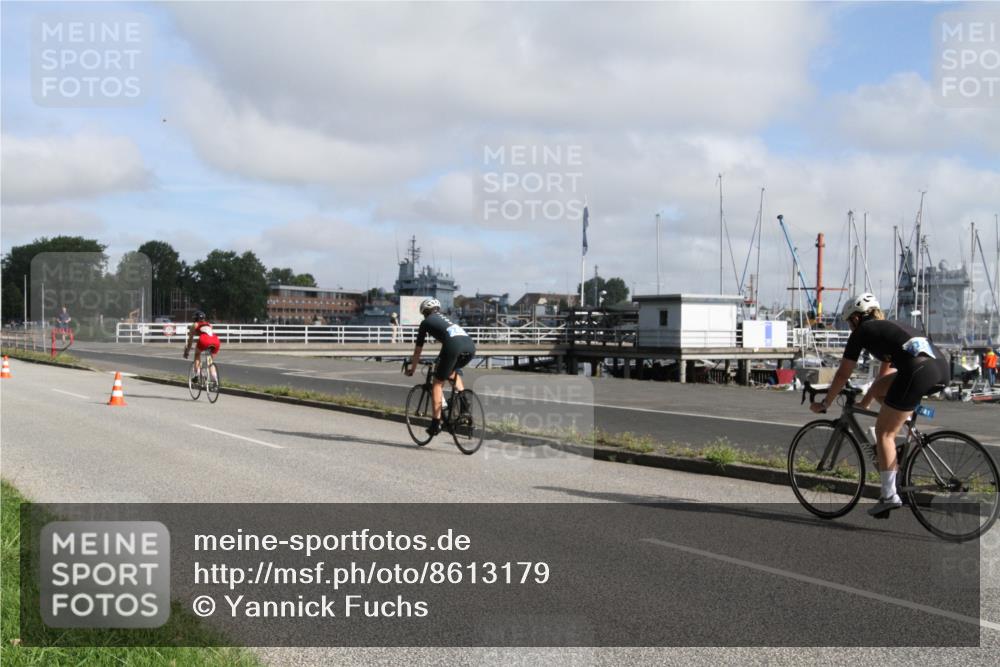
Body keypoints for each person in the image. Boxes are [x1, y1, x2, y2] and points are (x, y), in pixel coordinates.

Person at [810, 293, 950, 516]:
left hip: (917, 372)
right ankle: (903, 433)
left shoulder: (862, 332)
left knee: (884, 433)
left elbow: (843, 374)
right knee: (883, 393)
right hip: (941, 369)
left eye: (849, 323)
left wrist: (826, 402)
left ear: (856, 318)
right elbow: (881, 380)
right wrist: (864, 404)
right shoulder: (889, 328)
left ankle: (889, 496)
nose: (850, 328)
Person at [404, 298, 476, 436]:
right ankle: (464, 406)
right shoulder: (447, 319)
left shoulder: (426, 322)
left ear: (425, 312)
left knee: (437, 384)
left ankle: (435, 424)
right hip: (470, 346)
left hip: (453, 347)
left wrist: (412, 368)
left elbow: (418, 350)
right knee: (451, 371)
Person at [183, 310, 221, 383]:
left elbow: (190, 341)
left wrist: (187, 352)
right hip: (215, 340)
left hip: (204, 340)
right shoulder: (209, 324)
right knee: (210, 360)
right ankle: (215, 379)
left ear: (195, 318)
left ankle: (197, 374)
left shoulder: (195, 325)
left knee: (197, 354)